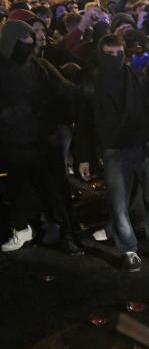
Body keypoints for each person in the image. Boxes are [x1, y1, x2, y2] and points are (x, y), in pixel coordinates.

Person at [76, 34, 149, 272]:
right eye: (109, 54)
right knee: (118, 203)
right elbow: (84, 122)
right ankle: (129, 250)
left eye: (119, 53)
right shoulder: (91, 84)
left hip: (144, 144)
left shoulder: (136, 79)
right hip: (114, 149)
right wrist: (84, 157)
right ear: (100, 54)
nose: (114, 58)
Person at [0, 20, 83, 255]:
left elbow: (64, 90)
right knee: (21, 189)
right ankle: (26, 227)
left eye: (30, 38)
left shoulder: (40, 66)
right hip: (13, 143)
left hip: (44, 139)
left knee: (55, 189)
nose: (30, 42)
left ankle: (66, 233)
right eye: (24, 39)